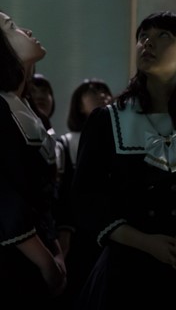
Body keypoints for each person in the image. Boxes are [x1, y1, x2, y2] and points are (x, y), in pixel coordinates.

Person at [70, 11, 176, 309]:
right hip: (125, 274)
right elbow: (86, 199)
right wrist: (146, 242)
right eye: (143, 36)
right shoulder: (107, 120)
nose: (147, 42)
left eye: (163, 36)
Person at [0, 10, 67, 304]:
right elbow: (5, 199)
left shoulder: (29, 109)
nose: (26, 30)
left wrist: (56, 250)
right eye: (11, 26)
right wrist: (46, 262)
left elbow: (43, 197)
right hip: (12, 261)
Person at [52, 78, 113, 309]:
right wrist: (65, 231)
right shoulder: (66, 143)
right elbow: (64, 195)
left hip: (110, 229)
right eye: (94, 92)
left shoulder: (119, 140)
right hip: (77, 234)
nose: (103, 96)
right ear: (78, 104)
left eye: (105, 91)